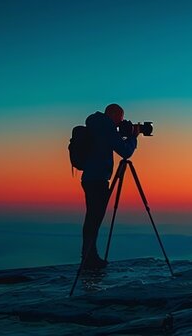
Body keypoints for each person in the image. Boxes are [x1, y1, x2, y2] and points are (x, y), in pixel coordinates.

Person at [80, 103, 138, 268]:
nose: (120, 123)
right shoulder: (106, 127)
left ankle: (89, 255)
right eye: (120, 119)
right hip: (98, 179)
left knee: (92, 217)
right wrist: (133, 137)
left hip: (90, 177)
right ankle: (89, 258)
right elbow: (125, 151)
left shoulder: (96, 125)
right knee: (94, 219)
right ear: (113, 115)